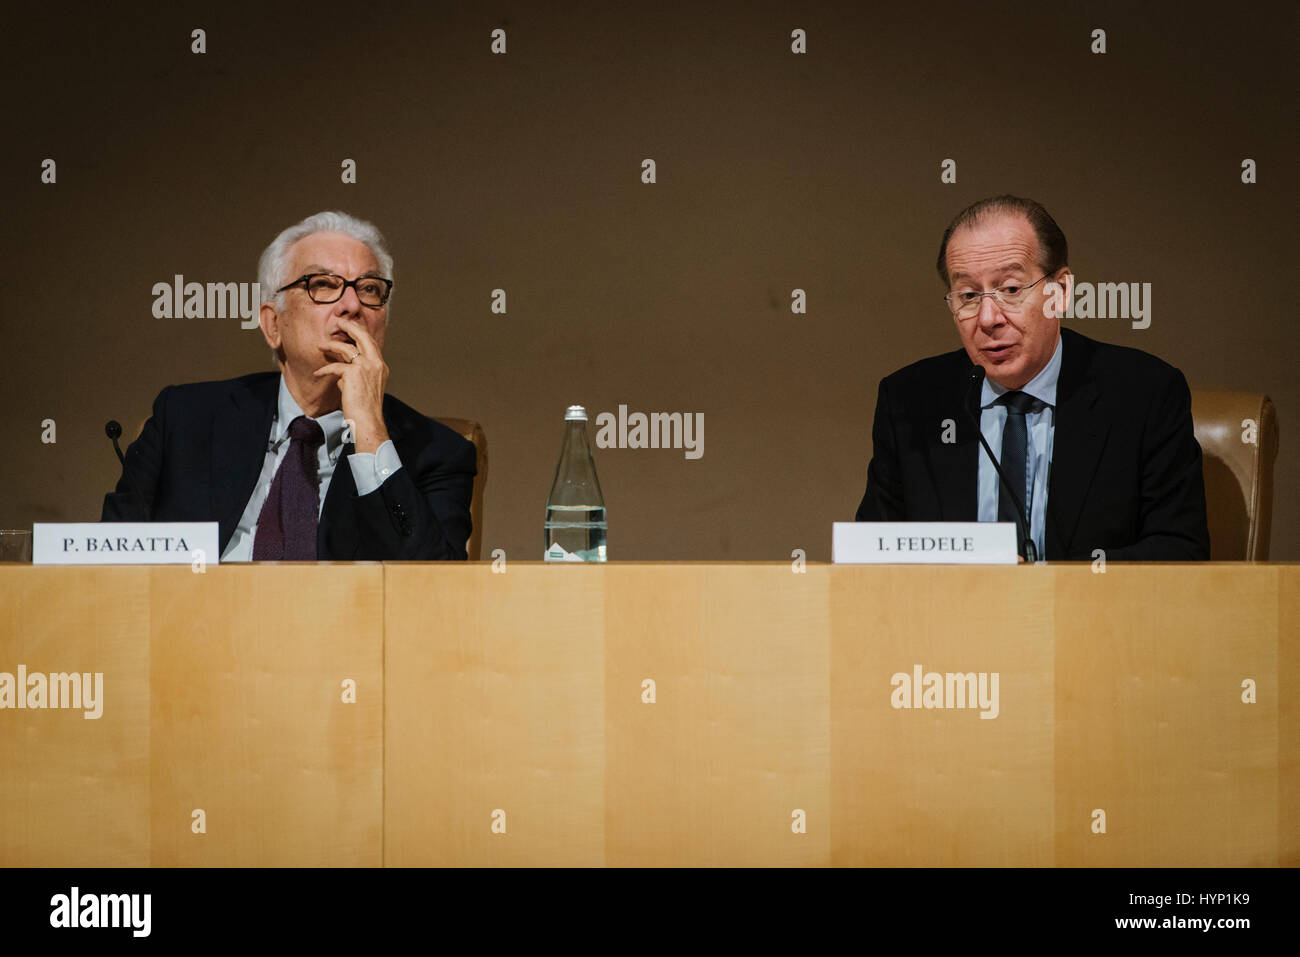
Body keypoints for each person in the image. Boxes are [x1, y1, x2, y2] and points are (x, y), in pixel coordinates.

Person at [102, 210, 476, 560]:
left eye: (369, 289)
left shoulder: (436, 453)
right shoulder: (185, 420)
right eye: (324, 285)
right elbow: (105, 563)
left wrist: (370, 432)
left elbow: (430, 588)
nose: (351, 305)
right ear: (273, 325)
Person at [855, 195, 1209, 561]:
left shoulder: (1144, 394)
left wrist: (1045, 585)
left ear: (1061, 291)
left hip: (1089, 616)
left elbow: (1180, 552)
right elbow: (872, 556)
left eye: (1010, 290)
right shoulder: (910, 403)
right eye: (969, 295)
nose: (988, 318)